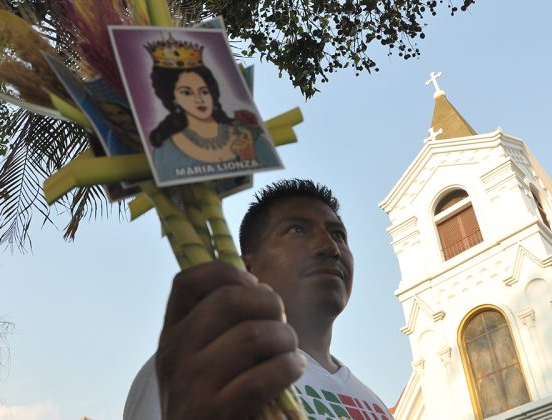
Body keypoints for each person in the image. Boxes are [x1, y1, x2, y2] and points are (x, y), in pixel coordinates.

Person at [124, 179, 391, 420]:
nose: (330, 248)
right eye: (297, 230)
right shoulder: (197, 369)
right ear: (247, 268)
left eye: (338, 235)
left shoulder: (374, 405)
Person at [145, 38, 278, 183]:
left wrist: (249, 160)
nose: (199, 99)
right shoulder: (166, 150)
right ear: (173, 99)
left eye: (204, 91)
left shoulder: (246, 135)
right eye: (186, 93)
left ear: (212, 93)